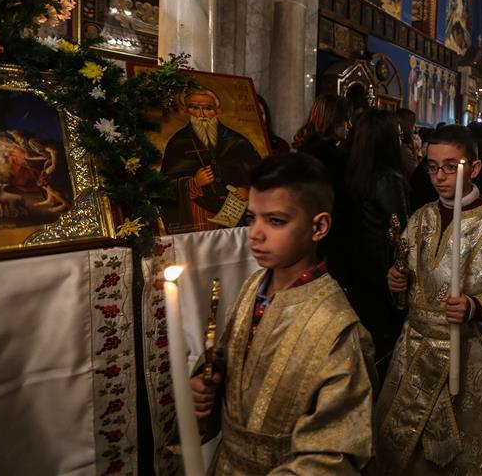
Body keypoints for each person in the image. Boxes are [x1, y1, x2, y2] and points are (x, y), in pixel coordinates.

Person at [189, 152, 374, 474]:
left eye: (275, 221)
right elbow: (233, 353)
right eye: (251, 218)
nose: (255, 233)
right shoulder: (254, 286)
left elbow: (333, 453)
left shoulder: (336, 330)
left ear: (319, 226)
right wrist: (208, 376)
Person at [374, 126, 482, 475]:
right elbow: (410, 274)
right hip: (413, 346)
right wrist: (397, 281)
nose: (439, 177)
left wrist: (476, 307)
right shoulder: (420, 219)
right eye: (432, 167)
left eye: (451, 166)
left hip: (463, 349)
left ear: (474, 169)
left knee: (451, 446)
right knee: (398, 439)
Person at [335, 109, 409, 376]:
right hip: (381, 270)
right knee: (382, 343)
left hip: (353, 267)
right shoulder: (387, 177)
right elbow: (399, 228)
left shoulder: (347, 170)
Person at [160, 88, 263, 234]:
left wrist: (248, 190)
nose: (201, 114)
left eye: (208, 108)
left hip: (237, 215)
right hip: (199, 216)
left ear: (217, 111)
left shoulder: (237, 141)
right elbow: (161, 187)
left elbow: (261, 176)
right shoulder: (178, 142)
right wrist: (193, 183)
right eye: (195, 108)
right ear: (187, 111)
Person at [396, 108, 420, 176]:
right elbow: (416, 172)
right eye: (414, 124)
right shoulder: (403, 149)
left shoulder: (403, 145)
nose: (415, 127)